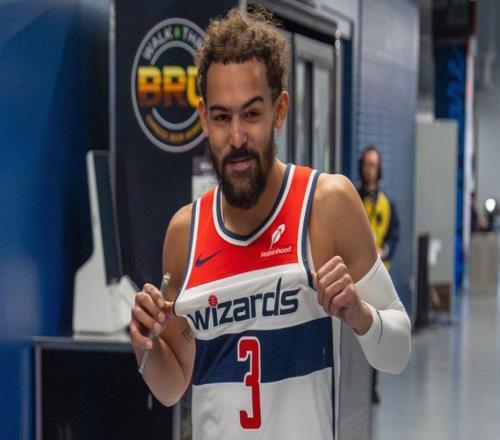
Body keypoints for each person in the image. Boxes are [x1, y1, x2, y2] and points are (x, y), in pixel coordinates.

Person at [130, 8, 411, 440]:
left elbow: (398, 351)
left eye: (251, 114)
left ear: (280, 110)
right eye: (222, 117)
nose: (237, 137)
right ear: (203, 119)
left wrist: (360, 315)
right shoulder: (185, 233)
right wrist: (145, 345)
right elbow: (174, 385)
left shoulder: (327, 205)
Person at [357, 145, 400, 404]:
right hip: (355, 276)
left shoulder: (387, 203)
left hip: (380, 276)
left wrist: (383, 250)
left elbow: (394, 236)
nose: (369, 170)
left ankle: (372, 386)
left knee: (376, 333)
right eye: (366, 164)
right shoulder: (351, 198)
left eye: (373, 165)